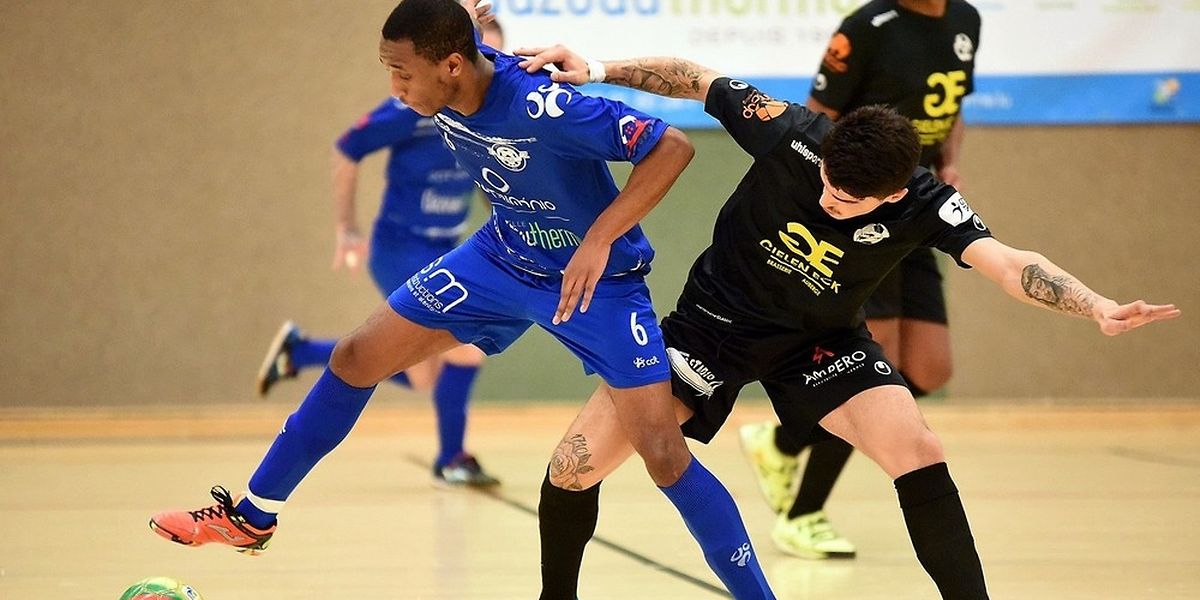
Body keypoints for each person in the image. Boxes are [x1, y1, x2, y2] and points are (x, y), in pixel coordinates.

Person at [149, 2, 777, 598]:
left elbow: (673, 147)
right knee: (355, 357)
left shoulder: (543, 107)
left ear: (451, 66)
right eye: (388, 70)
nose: (396, 87)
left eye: (402, 72)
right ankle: (253, 516)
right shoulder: (450, 75)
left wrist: (599, 238)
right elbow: (461, 36)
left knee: (665, 456)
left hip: (593, 283)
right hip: (498, 258)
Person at [513, 44, 1179, 599]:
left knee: (918, 448)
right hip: (711, 328)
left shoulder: (925, 203)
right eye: (829, 183)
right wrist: (595, 70)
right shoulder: (793, 134)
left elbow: (1007, 263)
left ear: (894, 193)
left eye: (851, 200)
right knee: (574, 465)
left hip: (818, 341)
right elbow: (696, 78)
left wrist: (1094, 304)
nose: (832, 202)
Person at [738, 0, 983, 560]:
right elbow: (817, 115)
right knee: (881, 366)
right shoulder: (867, 28)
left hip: (914, 202)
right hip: (863, 210)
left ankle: (783, 439)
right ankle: (802, 514)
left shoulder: (966, 20)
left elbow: (952, 110)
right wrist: (836, 205)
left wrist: (948, 163)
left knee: (930, 368)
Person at [254, 20, 506, 488]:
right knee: (466, 352)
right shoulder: (413, 110)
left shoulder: (490, 114)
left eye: (492, 59)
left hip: (445, 247)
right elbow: (348, 148)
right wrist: (347, 228)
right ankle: (452, 458)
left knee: (425, 376)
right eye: (477, 56)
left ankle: (302, 351)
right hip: (401, 248)